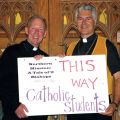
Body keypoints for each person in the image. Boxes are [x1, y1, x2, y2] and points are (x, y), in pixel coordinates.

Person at [66, 4, 120, 120]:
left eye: (88, 18)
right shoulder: (70, 47)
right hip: (75, 108)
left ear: (95, 21)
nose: (83, 22)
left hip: (100, 110)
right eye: (80, 19)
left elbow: (118, 78)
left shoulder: (107, 45)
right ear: (76, 22)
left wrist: (114, 104)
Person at [0, 15, 49, 120]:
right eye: (33, 29)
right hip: (14, 116)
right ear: (27, 30)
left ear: (45, 34)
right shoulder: (11, 52)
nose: (36, 33)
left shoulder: (47, 59)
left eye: (40, 30)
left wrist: (60, 62)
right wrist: (15, 106)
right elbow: (2, 84)